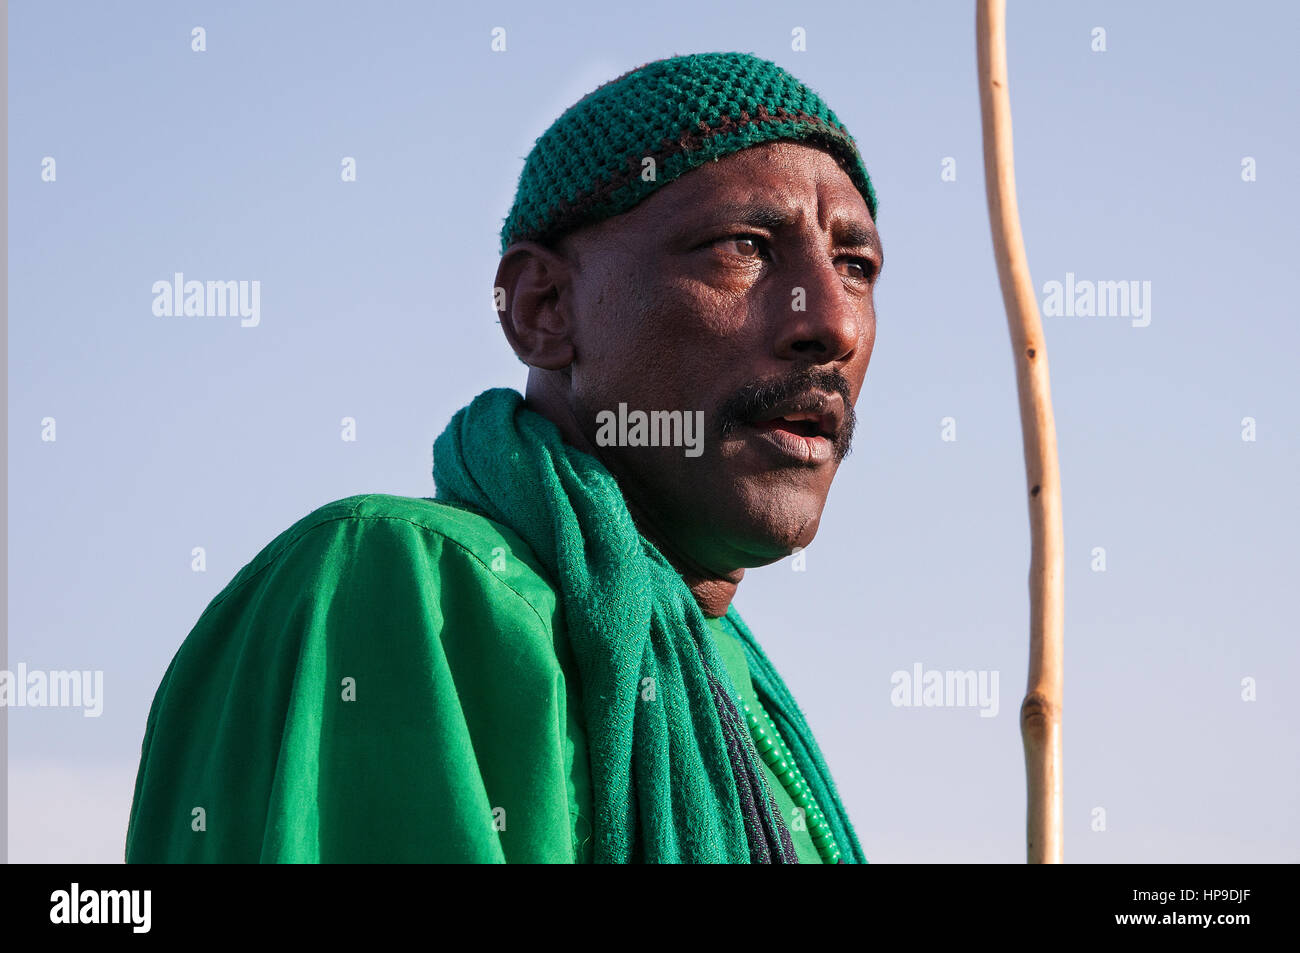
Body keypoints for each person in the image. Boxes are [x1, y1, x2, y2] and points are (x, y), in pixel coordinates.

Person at [126, 50, 883, 864]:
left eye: (856, 266)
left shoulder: (737, 687)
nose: (832, 322)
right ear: (543, 307)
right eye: (744, 246)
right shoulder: (397, 584)